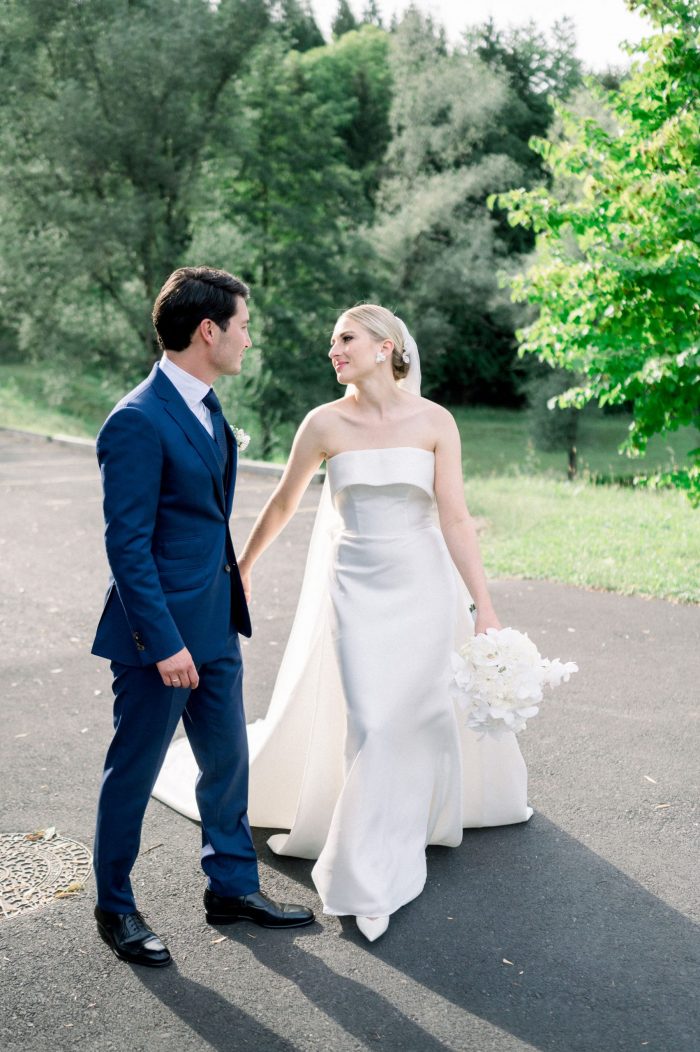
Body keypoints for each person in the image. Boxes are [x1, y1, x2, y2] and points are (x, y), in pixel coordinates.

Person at [154, 304, 532, 943]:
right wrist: (244, 565)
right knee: (373, 724)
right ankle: (369, 868)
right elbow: (285, 501)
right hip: (356, 590)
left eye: (346, 338)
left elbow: (456, 518)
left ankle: (391, 843)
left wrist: (484, 606)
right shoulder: (323, 423)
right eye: (333, 341)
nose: (334, 350)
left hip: (425, 589)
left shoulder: (435, 421)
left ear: (386, 347)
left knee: (418, 718)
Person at [91, 267, 314, 968]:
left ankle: (233, 889)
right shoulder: (136, 419)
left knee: (227, 761)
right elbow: (127, 547)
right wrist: (163, 643)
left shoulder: (209, 407)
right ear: (208, 331)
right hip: (157, 639)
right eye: (243, 326)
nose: (249, 338)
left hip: (216, 624)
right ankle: (115, 908)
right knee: (134, 770)